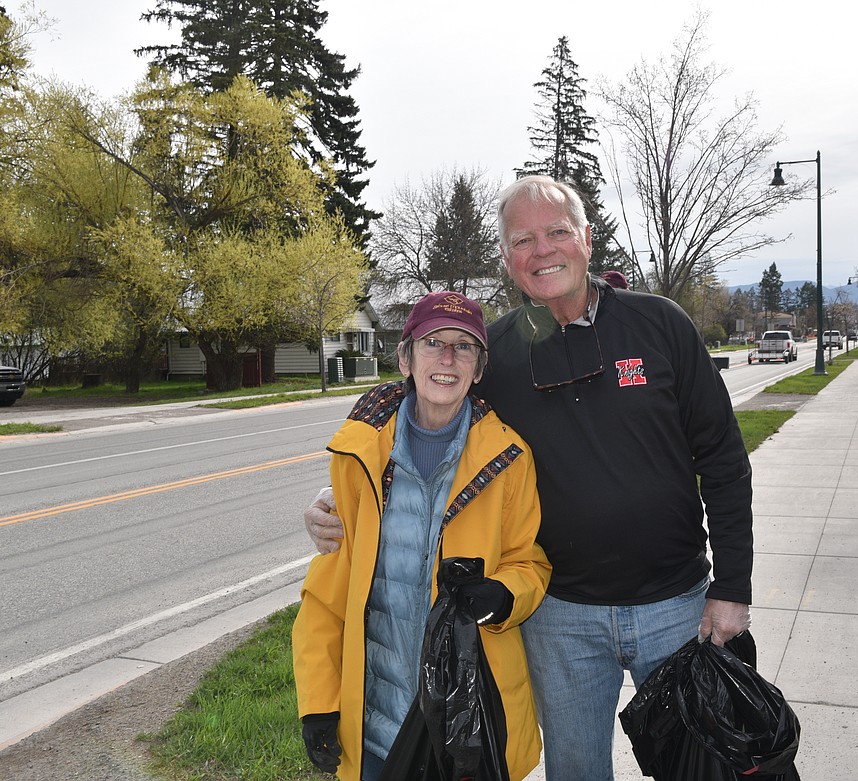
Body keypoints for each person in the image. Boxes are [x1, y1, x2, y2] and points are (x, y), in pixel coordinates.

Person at [304, 176, 753, 781]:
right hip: (561, 617)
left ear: (587, 240)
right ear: (507, 258)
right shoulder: (502, 352)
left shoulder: (660, 326)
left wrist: (733, 586)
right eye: (524, 240)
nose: (543, 251)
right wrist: (339, 500)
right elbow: (430, 410)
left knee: (700, 770)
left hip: (676, 605)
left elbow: (724, 459)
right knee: (574, 772)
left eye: (558, 232)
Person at [292, 290, 551, 781]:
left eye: (464, 346)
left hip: (468, 723)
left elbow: (529, 562)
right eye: (433, 342)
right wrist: (319, 702)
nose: (447, 358)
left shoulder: (509, 459)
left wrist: (501, 595)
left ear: (478, 369)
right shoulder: (360, 457)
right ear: (405, 357)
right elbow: (328, 592)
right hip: (377, 726)